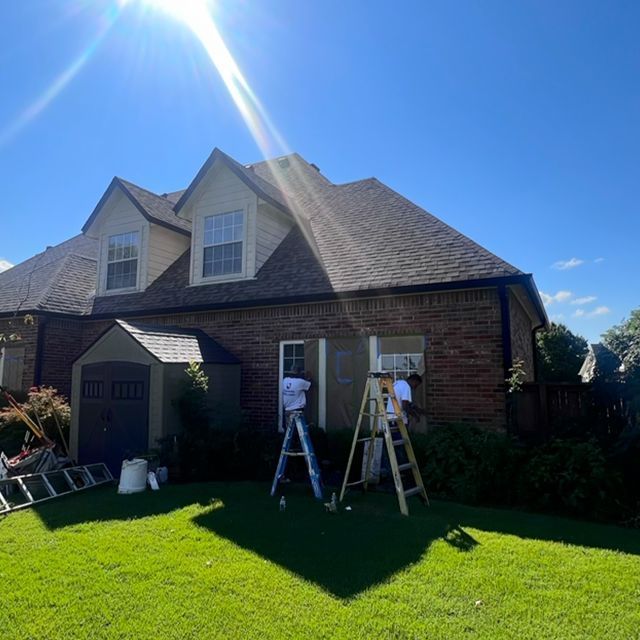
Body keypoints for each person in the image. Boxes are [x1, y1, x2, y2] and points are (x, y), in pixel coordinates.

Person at [281, 367, 312, 433]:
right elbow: (310, 385)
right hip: (297, 411)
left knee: (288, 433)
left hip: (287, 411)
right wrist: (309, 377)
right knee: (299, 433)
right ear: (299, 373)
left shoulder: (285, 380)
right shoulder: (300, 382)